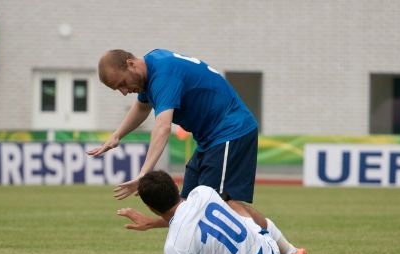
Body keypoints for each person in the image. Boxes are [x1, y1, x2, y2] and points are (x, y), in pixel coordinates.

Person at [87, 48, 268, 229]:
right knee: (187, 205)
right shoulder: (151, 67)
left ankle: (271, 247)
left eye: (122, 83)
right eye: (118, 89)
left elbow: (163, 126)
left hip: (230, 131)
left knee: (215, 206)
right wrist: (116, 136)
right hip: (210, 139)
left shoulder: (163, 75)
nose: (124, 92)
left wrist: (143, 173)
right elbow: (142, 107)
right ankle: (289, 251)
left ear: (131, 64)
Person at [117, 170, 308, 254]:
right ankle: (290, 252)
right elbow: (187, 218)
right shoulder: (203, 192)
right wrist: (151, 223)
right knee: (232, 204)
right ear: (175, 188)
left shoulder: (175, 246)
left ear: (151, 207)